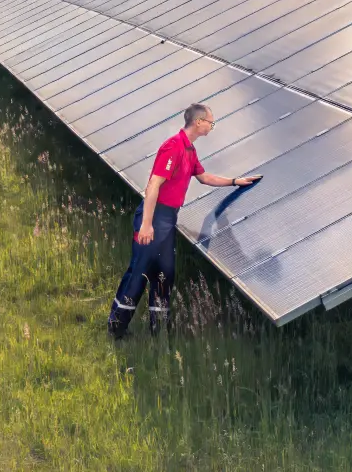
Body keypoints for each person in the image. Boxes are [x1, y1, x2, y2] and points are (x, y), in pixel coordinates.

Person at [107, 103, 262, 338]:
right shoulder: (173, 147)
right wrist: (147, 224)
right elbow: (153, 186)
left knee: (164, 273)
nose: (212, 126)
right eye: (211, 122)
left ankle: (159, 331)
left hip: (168, 219)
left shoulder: (190, 150)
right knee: (139, 271)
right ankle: (116, 327)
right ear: (198, 122)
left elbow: (204, 177)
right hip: (154, 216)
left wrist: (234, 181)